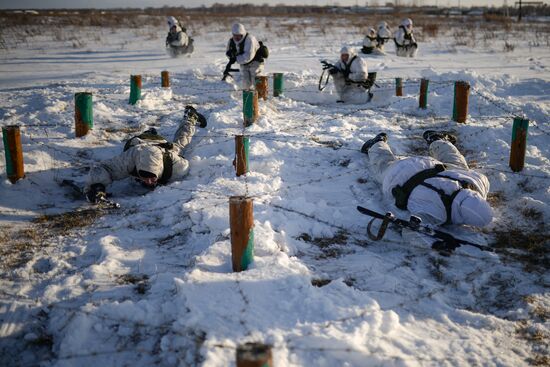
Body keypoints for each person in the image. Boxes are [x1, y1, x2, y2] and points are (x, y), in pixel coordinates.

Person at [360, 130, 493, 227]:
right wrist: (433, 243)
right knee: (382, 167)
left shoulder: (476, 185)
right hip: (401, 175)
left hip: (430, 165)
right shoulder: (438, 213)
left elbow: (481, 179)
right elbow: (414, 228)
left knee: (457, 164)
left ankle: (437, 139)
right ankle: (376, 144)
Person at [84, 106, 207, 203]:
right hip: (139, 142)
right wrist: (97, 187)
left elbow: (184, 163)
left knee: (181, 144)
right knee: (150, 140)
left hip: (161, 146)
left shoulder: (175, 166)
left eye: (152, 177)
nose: (148, 182)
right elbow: (104, 168)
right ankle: (149, 132)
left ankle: (190, 118)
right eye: (144, 176)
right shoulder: (130, 158)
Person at [225, 23, 266, 90]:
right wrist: (230, 55)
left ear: (243, 34)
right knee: (246, 83)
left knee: (256, 79)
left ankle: (261, 97)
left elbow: (248, 56)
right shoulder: (231, 41)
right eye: (235, 35)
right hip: (244, 63)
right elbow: (228, 52)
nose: (236, 37)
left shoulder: (250, 39)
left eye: (239, 35)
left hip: (256, 62)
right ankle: (248, 98)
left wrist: (235, 58)